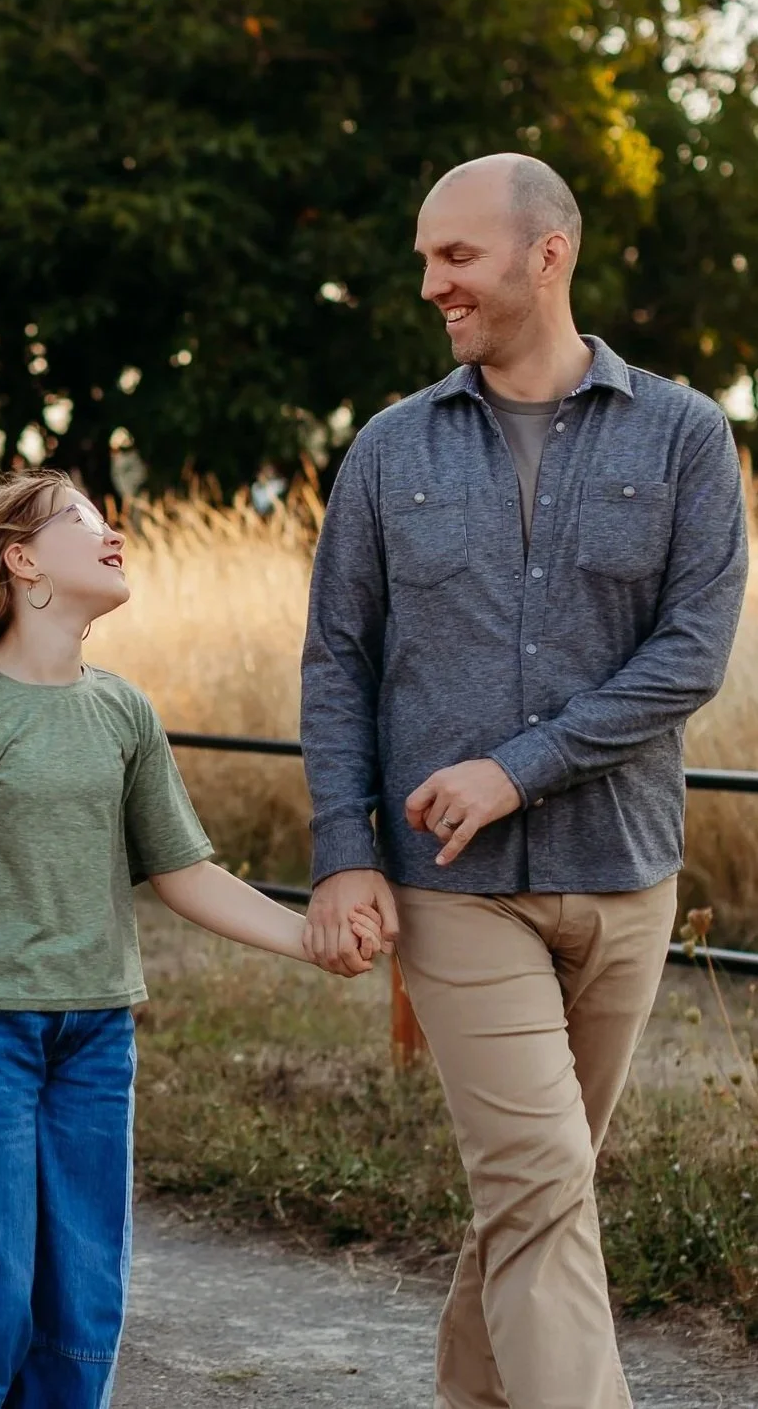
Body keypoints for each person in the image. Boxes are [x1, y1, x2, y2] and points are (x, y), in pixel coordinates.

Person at [0, 469, 379, 1409]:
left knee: (81, 1306)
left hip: (95, 1035)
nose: (112, 531)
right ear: (21, 562)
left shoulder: (122, 712)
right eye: (82, 520)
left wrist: (305, 939)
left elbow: (182, 873)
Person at [300, 154, 749, 1409]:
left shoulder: (683, 435)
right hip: (452, 887)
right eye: (425, 260)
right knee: (541, 1187)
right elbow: (337, 658)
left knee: (534, 1190)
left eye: (456, 257)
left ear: (544, 254)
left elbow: (687, 658)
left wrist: (515, 766)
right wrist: (343, 851)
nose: (431, 284)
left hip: (623, 875)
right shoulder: (389, 451)